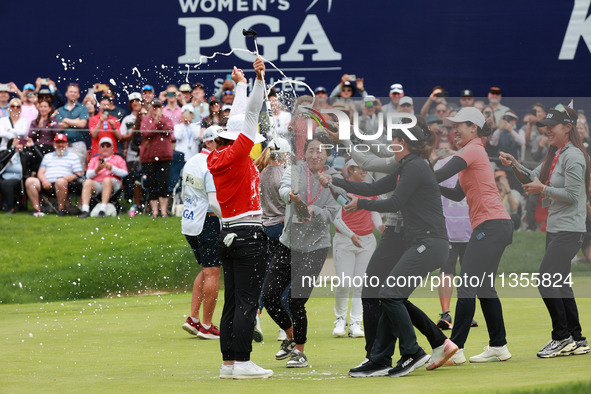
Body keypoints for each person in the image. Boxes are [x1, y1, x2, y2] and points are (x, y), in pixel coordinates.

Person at [322, 123, 458, 377]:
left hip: (428, 243)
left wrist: (360, 204)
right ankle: (390, 355)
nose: (389, 144)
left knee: (390, 295)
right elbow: (374, 188)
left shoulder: (414, 167)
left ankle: (411, 352)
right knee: (389, 295)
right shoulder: (408, 165)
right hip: (423, 243)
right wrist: (334, 180)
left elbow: (395, 201)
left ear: (402, 144)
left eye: (393, 140)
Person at [500, 103, 590, 358]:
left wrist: (543, 190)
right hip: (557, 229)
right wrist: (515, 164)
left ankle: (561, 337)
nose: (547, 130)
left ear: (567, 127)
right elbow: (532, 178)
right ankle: (577, 338)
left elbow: (573, 195)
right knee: (561, 284)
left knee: (546, 281)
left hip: (570, 231)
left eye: (552, 126)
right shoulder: (556, 152)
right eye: (546, 126)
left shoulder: (573, 156)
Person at [206, 59, 272, 379]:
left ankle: (229, 363)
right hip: (248, 235)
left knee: (232, 302)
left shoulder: (217, 156)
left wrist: (242, 83)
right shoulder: (238, 152)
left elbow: (239, 119)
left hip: (228, 235)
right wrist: (259, 80)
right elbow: (251, 114)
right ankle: (244, 362)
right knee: (247, 302)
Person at [433, 107, 513, 364]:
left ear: (474, 128)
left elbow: (441, 173)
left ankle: (454, 347)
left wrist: (418, 177)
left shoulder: (472, 150)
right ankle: (499, 346)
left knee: (466, 284)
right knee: (484, 287)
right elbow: (456, 193)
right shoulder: (476, 151)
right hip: (496, 225)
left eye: (460, 125)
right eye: (453, 125)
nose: (454, 129)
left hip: (490, 225)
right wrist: (431, 184)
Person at [261, 133, 340, 369]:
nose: (315, 154)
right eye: (311, 150)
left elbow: (333, 212)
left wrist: (314, 210)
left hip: (316, 247)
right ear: (304, 153)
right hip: (288, 243)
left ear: (327, 155)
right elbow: (284, 188)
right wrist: (291, 196)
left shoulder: (333, 178)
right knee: (269, 296)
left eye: (320, 151)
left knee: (297, 299)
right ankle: (290, 335)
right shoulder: (295, 169)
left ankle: (300, 352)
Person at [181, 125, 223, 340]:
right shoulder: (211, 164)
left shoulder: (192, 160)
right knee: (213, 272)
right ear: (208, 143)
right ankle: (206, 325)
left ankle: (194, 319)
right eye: (220, 140)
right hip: (208, 221)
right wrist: (228, 219)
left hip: (190, 222)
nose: (224, 145)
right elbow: (214, 202)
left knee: (206, 270)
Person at [331, 159, 381, 338]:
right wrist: (351, 235)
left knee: (360, 285)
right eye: (361, 168)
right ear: (351, 169)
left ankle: (355, 323)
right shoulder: (341, 189)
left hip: (367, 241)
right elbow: (335, 218)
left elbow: (374, 211)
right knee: (345, 283)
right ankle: (339, 320)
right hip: (345, 241)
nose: (365, 171)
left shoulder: (369, 189)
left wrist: (380, 226)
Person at [254, 137, 292, 342]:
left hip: (265, 227)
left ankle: (256, 313)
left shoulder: (262, 172)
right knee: (284, 279)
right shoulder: (284, 175)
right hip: (282, 228)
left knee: (268, 276)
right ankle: (283, 325)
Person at [25, 133, 83, 216]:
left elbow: (78, 174)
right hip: (47, 184)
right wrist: (44, 181)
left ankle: (61, 209)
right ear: (54, 144)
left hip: (65, 184)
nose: (60, 145)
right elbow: (41, 172)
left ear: (67, 144)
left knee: (60, 181)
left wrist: (67, 178)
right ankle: (37, 209)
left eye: (62, 142)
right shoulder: (47, 156)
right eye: (58, 143)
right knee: (30, 181)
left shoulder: (73, 157)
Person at [140, 100, 174, 218]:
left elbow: (169, 130)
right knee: (152, 184)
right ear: (151, 108)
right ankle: (155, 211)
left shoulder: (166, 118)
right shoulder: (146, 119)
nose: (156, 110)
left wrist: (160, 122)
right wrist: (156, 122)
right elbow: (146, 133)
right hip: (149, 157)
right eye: (154, 107)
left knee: (164, 183)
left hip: (165, 156)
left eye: (158, 107)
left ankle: (163, 211)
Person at [79, 137, 128, 218]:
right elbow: (87, 175)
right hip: (97, 185)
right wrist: (97, 169)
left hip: (114, 185)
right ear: (99, 148)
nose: (105, 148)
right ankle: (85, 210)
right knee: (87, 182)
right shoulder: (94, 159)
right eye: (103, 146)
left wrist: (111, 168)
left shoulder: (118, 158)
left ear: (112, 148)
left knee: (107, 180)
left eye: (108, 146)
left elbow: (125, 173)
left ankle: (102, 210)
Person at [55, 83, 89, 169]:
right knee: (62, 170)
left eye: (75, 92)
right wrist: (76, 121)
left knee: (78, 172)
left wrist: (66, 120)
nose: (73, 93)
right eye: (71, 91)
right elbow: (59, 126)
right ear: (66, 93)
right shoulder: (60, 110)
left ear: (78, 95)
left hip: (78, 144)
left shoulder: (83, 108)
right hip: (62, 145)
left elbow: (82, 124)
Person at [119, 94, 145, 209]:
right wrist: (133, 133)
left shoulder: (147, 116)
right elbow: (121, 136)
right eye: (133, 101)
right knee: (135, 180)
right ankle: (138, 204)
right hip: (132, 153)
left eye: (138, 101)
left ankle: (147, 204)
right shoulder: (127, 119)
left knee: (146, 178)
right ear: (130, 104)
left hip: (146, 153)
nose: (136, 103)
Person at [170, 105, 200, 194]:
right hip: (180, 157)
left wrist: (189, 124)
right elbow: (178, 136)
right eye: (185, 113)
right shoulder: (178, 127)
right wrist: (184, 124)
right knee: (179, 179)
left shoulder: (196, 126)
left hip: (192, 157)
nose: (187, 115)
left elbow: (196, 136)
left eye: (189, 113)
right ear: (182, 115)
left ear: (193, 115)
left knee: (192, 179)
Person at [0, 138, 27, 214]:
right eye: (16, 143)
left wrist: (32, 146)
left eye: (20, 144)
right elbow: (1, 159)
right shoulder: (6, 153)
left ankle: (10, 208)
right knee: (4, 182)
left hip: (18, 179)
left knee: (6, 184)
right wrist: (12, 149)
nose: (18, 146)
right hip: (4, 177)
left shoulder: (25, 154)